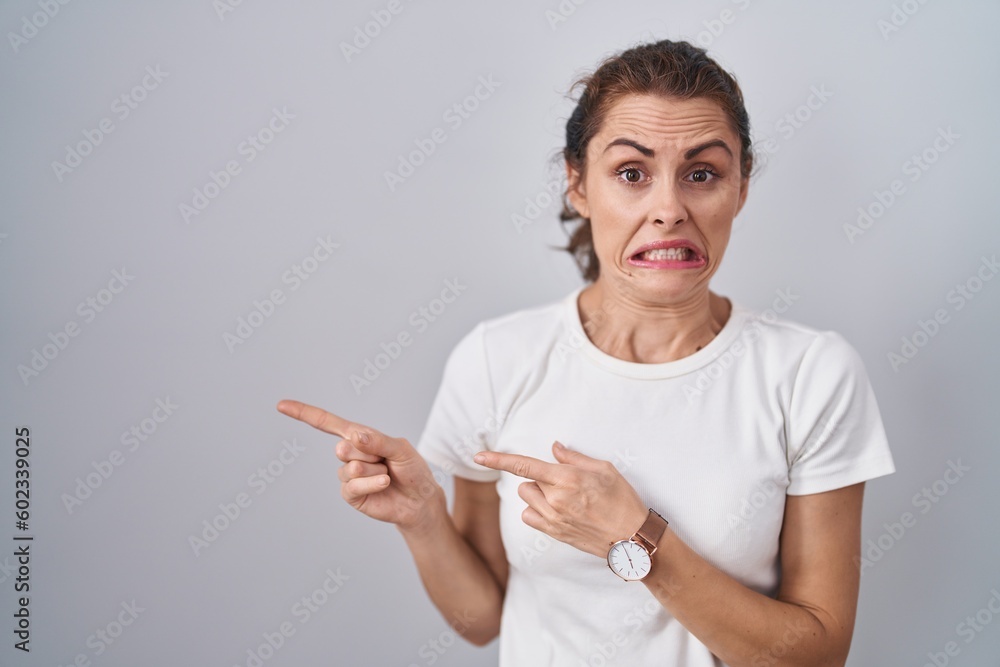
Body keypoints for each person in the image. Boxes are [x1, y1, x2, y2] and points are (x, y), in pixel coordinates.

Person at [277, 38, 895, 667]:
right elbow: (481, 619)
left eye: (702, 174)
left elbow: (815, 657)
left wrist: (635, 538)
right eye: (632, 174)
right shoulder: (497, 359)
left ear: (739, 187)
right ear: (577, 184)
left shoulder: (812, 374)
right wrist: (424, 521)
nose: (669, 210)